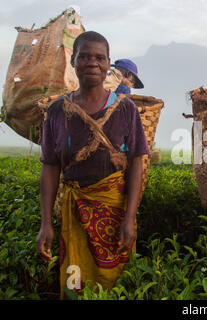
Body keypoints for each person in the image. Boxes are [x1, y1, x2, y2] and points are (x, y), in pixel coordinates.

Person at [36, 31, 149, 299]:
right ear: (73, 61)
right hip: (73, 213)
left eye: (99, 58)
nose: (92, 63)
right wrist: (45, 223)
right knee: (75, 282)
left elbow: (136, 163)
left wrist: (130, 218)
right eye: (84, 56)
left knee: (117, 283)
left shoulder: (126, 109)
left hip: (115, 212)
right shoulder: (57, 111)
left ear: (109, 63)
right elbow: (50, 167)